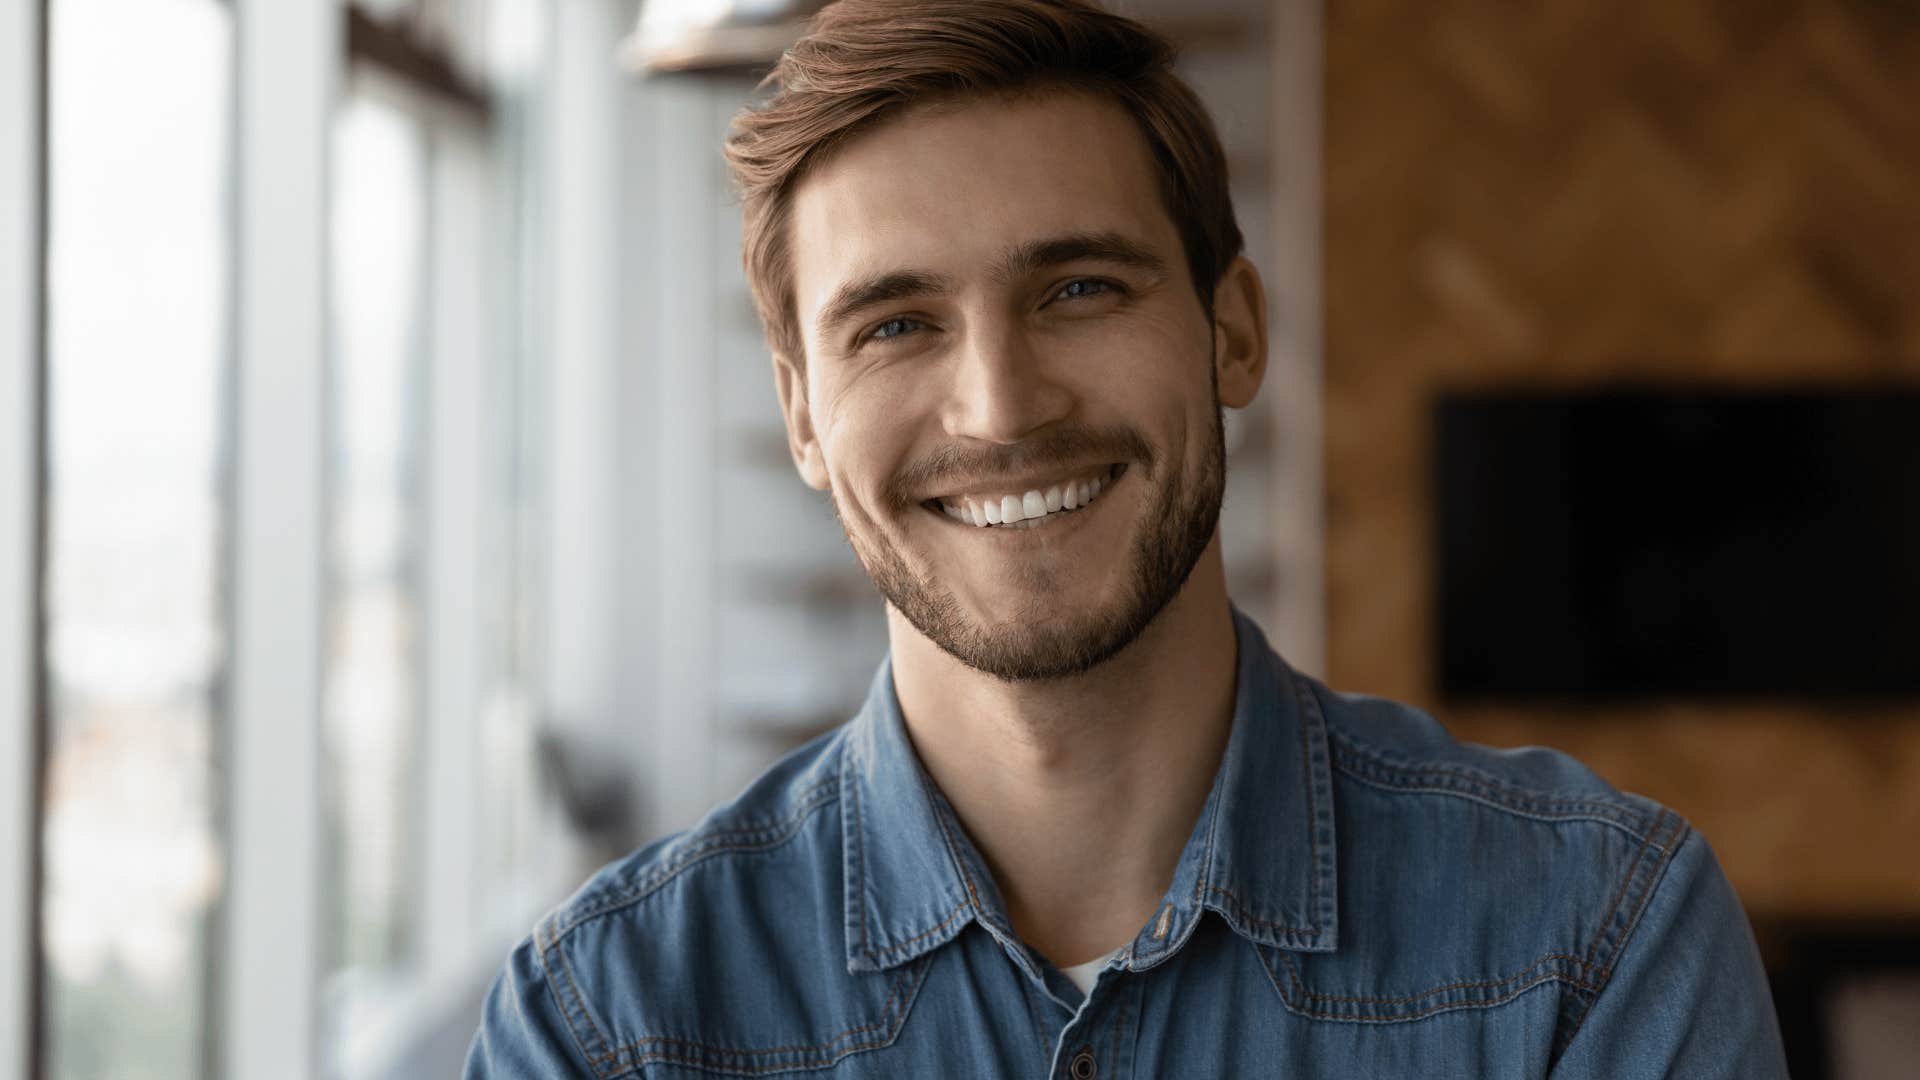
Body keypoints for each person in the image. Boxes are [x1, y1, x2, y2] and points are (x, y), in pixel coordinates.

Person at [467, 2, 1788, 1075]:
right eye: (896, 322)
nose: (1002, 407)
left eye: (1081, 288)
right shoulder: (607, 1025)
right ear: (802, 415)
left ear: (1234, 330)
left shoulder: (1595, 938)